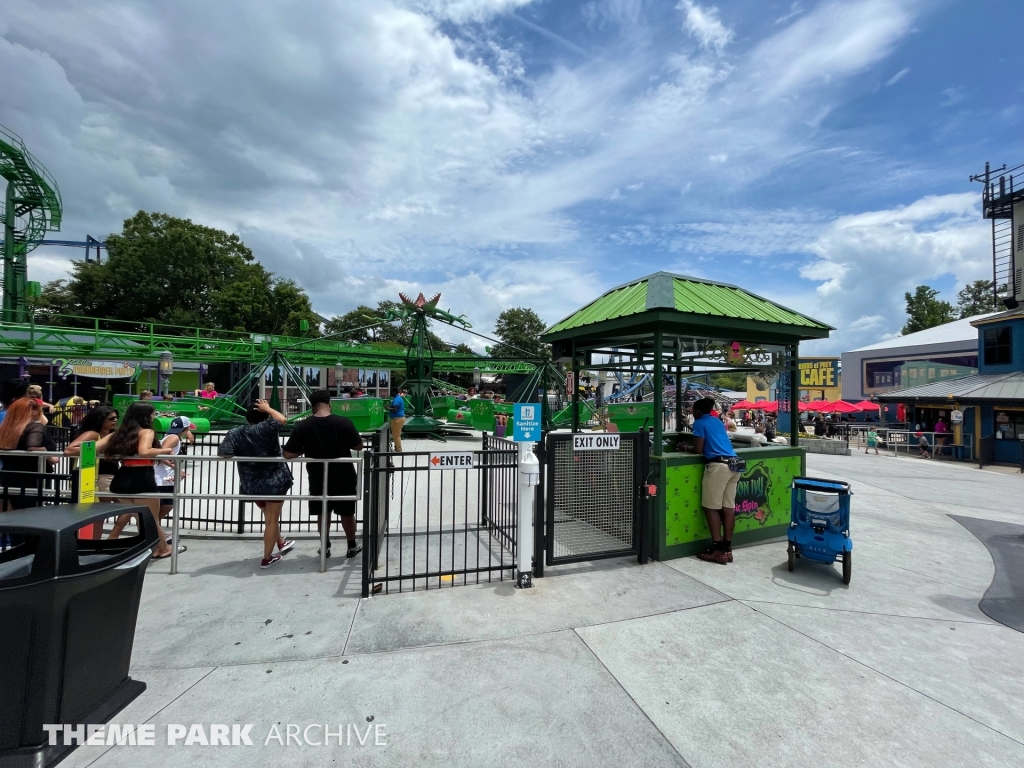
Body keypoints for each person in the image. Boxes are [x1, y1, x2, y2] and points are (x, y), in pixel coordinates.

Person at [283, 389, 363, 559]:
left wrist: (305, 448)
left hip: (318, 475)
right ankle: (351, 545)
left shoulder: (303, 426)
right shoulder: (344, 423)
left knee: (322, 511)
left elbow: (288, 454)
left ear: (312, 406)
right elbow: (358, 446)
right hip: (344, 475)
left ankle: (325, 546)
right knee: (347, 512)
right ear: (329, 404)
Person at [218, 400, 294, 568]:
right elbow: (282, 419)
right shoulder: (266, 428)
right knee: (272, 519)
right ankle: (267, 557)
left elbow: (225, 453)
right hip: (275, 481)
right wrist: (268, 408)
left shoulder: (235, 432)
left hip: (251, 483)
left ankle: (280, 542)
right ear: (265, 416)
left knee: (268, 516)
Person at [98, 402, 179, 559]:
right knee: (151, 518)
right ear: (145, 416)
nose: (154, 417)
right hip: (142, 479)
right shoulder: (146, 432)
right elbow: (144, 451)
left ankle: (160, 547)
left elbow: (94, 447)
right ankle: (161, 549)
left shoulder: (119, 434)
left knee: (140, 517)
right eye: (153, 414)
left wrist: (72, 449)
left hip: (121, 479)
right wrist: (166, 450)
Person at [688, 397, 740, 565]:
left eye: (692, 410)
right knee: (728, 508)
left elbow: (698, 449)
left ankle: (717, 550)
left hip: (718, 466)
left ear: (697, 411)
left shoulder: (699, 423)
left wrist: (685, 447)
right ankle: (728, 549)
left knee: (710, 507)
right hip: (734, 464)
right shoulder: (717, 421)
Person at [0, 398, 60, 510]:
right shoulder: (35, 426)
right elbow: (33, 445)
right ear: (33, 410)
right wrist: (51, 456)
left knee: (15, 510)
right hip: (32, 478)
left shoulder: (7, 429)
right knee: (30, 510)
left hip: (10, 476)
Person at [152, 416, 197, 539]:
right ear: (186, 428)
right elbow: (160, 454)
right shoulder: (174, 438)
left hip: (166, 477)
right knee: (164, 505)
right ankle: (154, 531)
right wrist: (177, 468)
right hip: (161, 477)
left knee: (167, 505)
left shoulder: (172, 436)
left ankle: (156, 531)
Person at [65, 406, 120, 496]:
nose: (115, 420)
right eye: (111, 418)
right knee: (106, 507)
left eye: (117, 417)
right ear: (100, 420)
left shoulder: (113, 434)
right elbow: (69, 451)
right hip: (100, 477)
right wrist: (96, 449)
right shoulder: (92, 434)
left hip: (113, 476)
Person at [389, 387, 407, 452]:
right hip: (400, 418)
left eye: (391, 392)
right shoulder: (399, 398)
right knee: (397, 435)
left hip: (397, 419)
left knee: (396, 436)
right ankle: (396, 448)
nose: (390, 393)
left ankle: (398, 449)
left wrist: (387, 408)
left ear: (394, 392)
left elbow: (395, 409)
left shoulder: (396, 400)